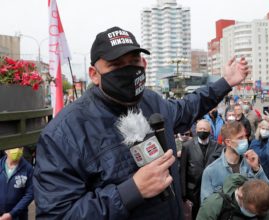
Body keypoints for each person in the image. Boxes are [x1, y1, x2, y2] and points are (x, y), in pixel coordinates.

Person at [33, 26, 250, 219]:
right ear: (94, 74)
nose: (128, 71)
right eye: (116, 64)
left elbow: (187, 108)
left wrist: (226, 82)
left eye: (134, 62)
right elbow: (57, 214)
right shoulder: (64, 133)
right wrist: (130, 192)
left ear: (143, 63)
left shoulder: (151, 100)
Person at [200, 121, 269, 202]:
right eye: (240, 138)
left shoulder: (251, 163)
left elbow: (268, 192)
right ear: (228, 142)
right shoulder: (211, 171)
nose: (245, 140)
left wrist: (257, 169)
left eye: (245, 136)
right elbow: (206, 207)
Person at [180, 120, 223, 219]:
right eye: (200, 129)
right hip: (193, 190)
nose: (202, 131)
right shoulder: (187, 146)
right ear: (196, 130)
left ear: (210, 131)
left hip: (210, 188)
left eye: (205, 129)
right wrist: (183, 194)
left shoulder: (217, 146)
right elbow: (183, 170)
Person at [197, 174, 269, 220]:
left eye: (256, 213)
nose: (253, 214)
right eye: (249, 210)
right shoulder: (214, 204)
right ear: (240, 195)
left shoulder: (262, 204)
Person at [0, 147, 34, 220]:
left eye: (20, 147)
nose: (17, 150)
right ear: (6, 150)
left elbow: (30, 194)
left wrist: (12, 214)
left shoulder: (28, 169)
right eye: (13, 147)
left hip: (18, 216)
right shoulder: (0, 165)